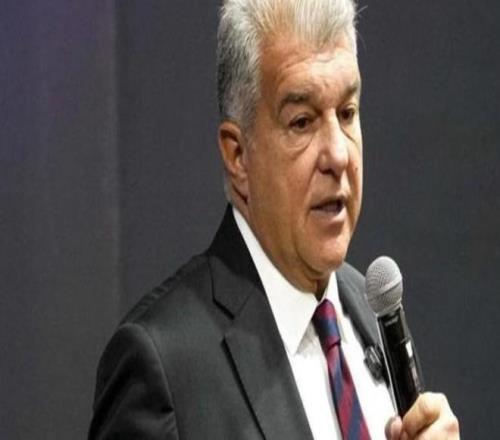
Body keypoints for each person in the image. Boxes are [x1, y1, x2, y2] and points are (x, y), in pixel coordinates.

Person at [89, 0, 460, 439]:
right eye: (302, 122)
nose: (338, 154)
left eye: (347, 113)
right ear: (238, 156)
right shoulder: (164, 367)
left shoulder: (371, 311)